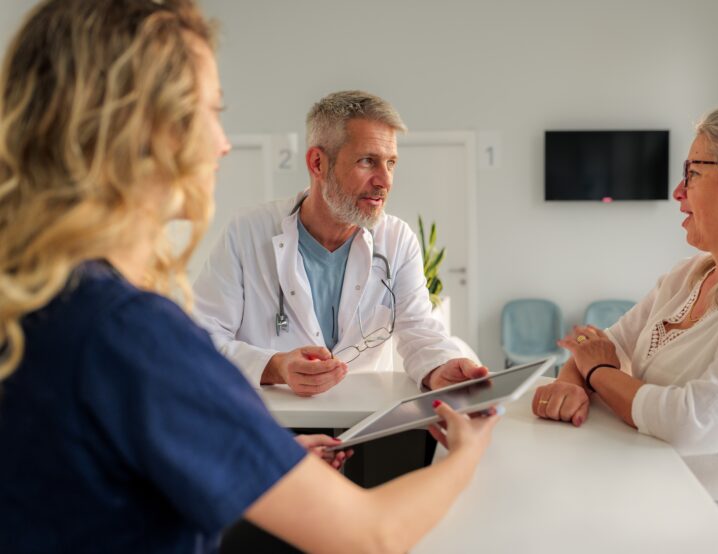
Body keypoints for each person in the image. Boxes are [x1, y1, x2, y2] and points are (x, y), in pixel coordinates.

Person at [0, 1, 498, 552]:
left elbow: (109, 471)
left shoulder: (38, 301)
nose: (223, 142)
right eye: (210, 111)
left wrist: (251, 451)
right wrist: (467, 452)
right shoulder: (130, 332)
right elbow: (372, 535)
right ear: (138, 130)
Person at [532, 102, 718, 553]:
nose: (678, 191)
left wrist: (597, 375)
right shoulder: (687, 276)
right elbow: (598, 344)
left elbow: (694, 422)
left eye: (693, 173)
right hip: (668, 510)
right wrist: (573, 383)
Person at [193, 90, 484, 397]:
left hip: (365, 424)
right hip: (275, 423)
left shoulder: (397, 240)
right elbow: (198, 339)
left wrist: (441, 368)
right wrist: (274, 366)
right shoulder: (246, 232)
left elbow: (420, 333)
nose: (384, 181)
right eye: (368, 161)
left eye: (391, 163)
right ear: (318, 163)